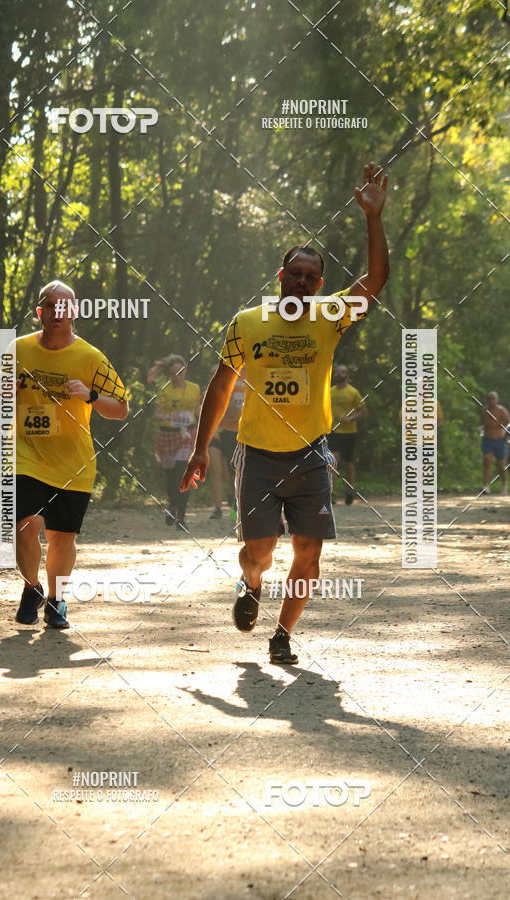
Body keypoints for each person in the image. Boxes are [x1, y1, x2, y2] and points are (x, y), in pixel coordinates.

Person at [181, 162, 389, 664]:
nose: (301, 282)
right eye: (293, 274)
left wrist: (374, 218)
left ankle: (283, 636)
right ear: (280, 277)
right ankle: (250, 586)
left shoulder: (329, 319)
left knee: (309, 554)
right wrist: (201, 448)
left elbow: (376, 280)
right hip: (257, 455)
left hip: (312, 454)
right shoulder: (247, 323)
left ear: (319, 286)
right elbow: (221, 382)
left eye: (310, 277)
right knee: (259, 553)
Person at [14, 280, 128, 628]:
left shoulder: (91, 357)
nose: (56, 312)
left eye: (64, 306)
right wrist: (4, 392)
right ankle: (31, 587)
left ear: (74, 312)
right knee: (24, 524)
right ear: (39, 313)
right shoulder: (15, 350)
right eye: (49, 305)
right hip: (25, 454)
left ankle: (56, 599)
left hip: (73, 462)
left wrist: (91, 396)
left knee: (62, 538)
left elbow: (121, 409)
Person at [147, 355, 200, 530]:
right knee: (171, 477)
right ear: (169, 375)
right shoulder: (164, 389)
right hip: (168, 434)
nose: (177, 376)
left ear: (186, 371)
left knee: (184, 473)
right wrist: (168, 415)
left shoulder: (194, 388)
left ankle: (181, 517)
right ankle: (172, 506)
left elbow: (198, 409)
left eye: (180, 372)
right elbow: (157, 413)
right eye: (173, 373)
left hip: (187, 434)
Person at [208, 372, 246, 519]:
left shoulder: (254, 373)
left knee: (232, 472)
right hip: (217, 430)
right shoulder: (224, 371)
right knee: (215, 469)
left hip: (237, 432)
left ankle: (234, 501)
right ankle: (217, 508)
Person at [328, 364, 366, 505]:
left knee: (348, 463)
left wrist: (350, 419)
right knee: (333, 460)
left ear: (347, 375)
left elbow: (363, 411)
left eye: (342, 372)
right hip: (333, 431)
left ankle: (349, 490)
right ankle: (331, 493)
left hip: (349, 432)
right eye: (337, 372)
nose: (339, 374)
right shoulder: (330, 391)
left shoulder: (353, 392)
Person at [480, 391, 509, 495]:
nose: (491, 400)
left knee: (501, 464)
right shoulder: (484, 410)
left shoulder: (502, 410)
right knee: (487, 461)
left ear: (497, 399)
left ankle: (504, 485)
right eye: (489, 398)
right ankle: (486, 486)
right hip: (487, 440)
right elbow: (481, 424)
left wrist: (506, 435)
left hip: (499, 441)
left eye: (493, 398)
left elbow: (507, 424)